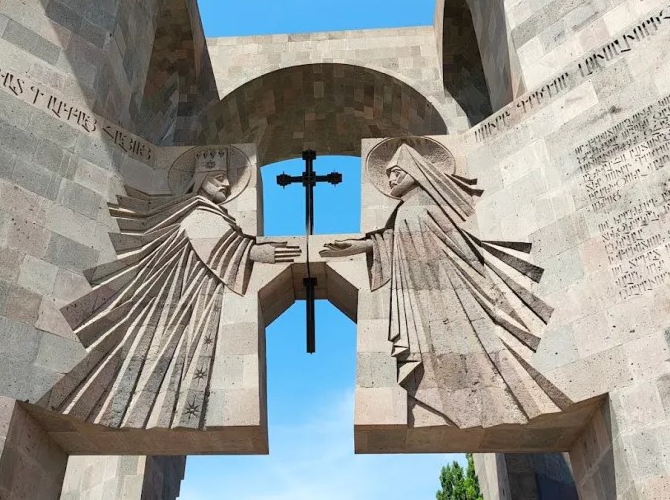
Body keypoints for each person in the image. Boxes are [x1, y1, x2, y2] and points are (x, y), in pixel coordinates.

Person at [42, 148, 299, 430]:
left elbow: (226, 242)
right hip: (175, 304)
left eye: (226, 179)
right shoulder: (196, 213)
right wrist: (255, 251)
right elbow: (218, 243)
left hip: (194, 300)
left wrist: (254, 249)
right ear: (200, 179)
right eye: (219, 178)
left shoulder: (212, 214)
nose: (226, 185)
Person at [322, 143, 569, 427]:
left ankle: (503, 399)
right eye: (389, 175)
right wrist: (355, 246)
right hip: (422, 297)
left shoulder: (432, 203)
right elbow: (388, 242)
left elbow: (461, 243)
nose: (391, 180)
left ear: (415, 171)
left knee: (481, 349)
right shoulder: (402, 212)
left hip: (455, 288)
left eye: (396, 173)